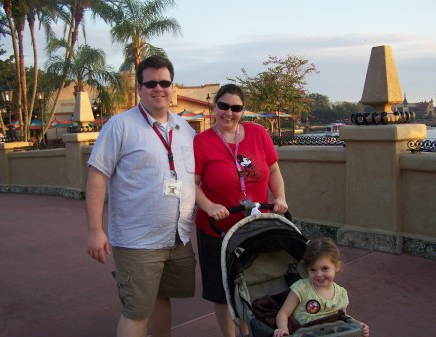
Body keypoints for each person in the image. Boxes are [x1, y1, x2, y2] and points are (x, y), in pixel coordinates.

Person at [85, 55, 196, 337]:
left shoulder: (185, 130)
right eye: (150, 83)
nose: (158, 88)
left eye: (164, 82)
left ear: (173, 87)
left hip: (177, 236)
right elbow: (97, 176)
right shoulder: (120, 126)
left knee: (162, 299)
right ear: (139, 88)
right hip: (137, 240)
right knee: (136, 312)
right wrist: (95, 230)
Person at [194, 83, 288, 337]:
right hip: (218, 230)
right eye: (223, 106)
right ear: (214, 107)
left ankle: (253, 329)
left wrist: (280, 196)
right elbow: (191, 184)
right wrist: (209, 206)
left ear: (243, 111)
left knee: (256, 282)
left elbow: (274, 169)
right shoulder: (201, 142)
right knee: (223, 290)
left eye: (236, 108)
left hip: (255, 226)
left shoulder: (258, 133)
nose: (229, 113)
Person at [274, 238, 369, 337]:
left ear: (337, 266)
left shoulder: (341, 294)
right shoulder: (301, 289)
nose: (319, 274)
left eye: (324, 268)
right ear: (307, 269)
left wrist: (358, 325)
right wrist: (283, 330)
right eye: (313, 270)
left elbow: (343, 317)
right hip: (306, 333)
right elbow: (283, 313)